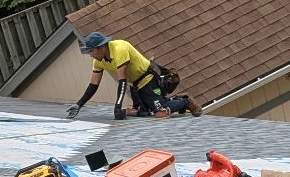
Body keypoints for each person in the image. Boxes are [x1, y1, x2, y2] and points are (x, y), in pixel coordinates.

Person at [66, 32, 200, 120]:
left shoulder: (120, 49)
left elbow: (122, 81)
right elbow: (93, 85)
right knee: (140, 113)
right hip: (135, 86)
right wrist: (79, 104)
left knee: (160, 113)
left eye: (91, 51)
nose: (90, 54)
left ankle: (184, 101)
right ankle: (165, 103)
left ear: (101, 47)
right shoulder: (98, 61)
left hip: (148, 79)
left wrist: (117, 107)